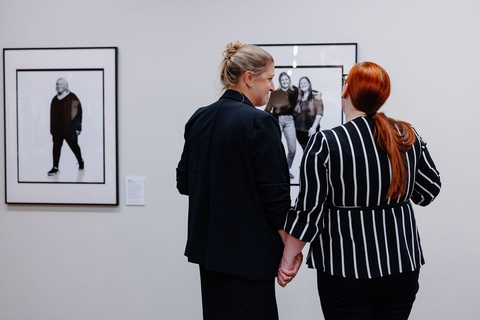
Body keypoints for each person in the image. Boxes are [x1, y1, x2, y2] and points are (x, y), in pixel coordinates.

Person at [278, 62, 441, 320]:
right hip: (401, 265)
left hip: (345, 268)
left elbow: (309, 212)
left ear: (346, 91)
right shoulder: (406, 136)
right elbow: (429, 191)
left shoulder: (325, 142)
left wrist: (288, 260)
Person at [176, 41, 302, 320]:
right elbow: (276, 198)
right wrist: (290, 252)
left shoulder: (199, 118)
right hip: (250, 256)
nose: (272, 87)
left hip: (209, 255)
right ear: (248, 78)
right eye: (269, 78)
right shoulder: (260, 122)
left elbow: (184, 183)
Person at [265, 72, 298, 179]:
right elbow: (267, 109)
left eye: (286, 79)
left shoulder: (295, 91)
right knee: (276, 147)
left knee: (292, 149)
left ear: (289, 80)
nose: (285, 82)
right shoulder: (275, 93)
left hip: (290, 121)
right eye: (282, 80)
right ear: (280, 82)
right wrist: (271, 122)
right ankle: (277, 171)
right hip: (277, 120)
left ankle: (286, 170)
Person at [48, 78, 84, 176]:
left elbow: (78, 113)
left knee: (74, 147)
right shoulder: (54, 99)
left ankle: (80, 161)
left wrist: (78, 127)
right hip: (58, 129)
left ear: (65, 86)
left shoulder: (72, 97)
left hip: (70, 128)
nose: (59, 86)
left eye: (61, 84)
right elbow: (52, 116)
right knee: (56, 148)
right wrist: (52, 130)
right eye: (57, 84)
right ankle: (55, 167)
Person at [293, 76, 324, 150]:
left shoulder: (316, 96)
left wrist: (313, 128)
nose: (303, 85)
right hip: (299, 131)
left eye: (305, 83)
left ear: (309, 84)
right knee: (305, 151)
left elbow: (319, 114)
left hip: (311, 130)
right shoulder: (298, 97)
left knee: (312, 151)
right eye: (301, 84)